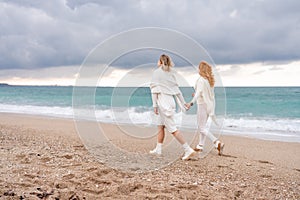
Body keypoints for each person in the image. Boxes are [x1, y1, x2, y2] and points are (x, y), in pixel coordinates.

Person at [149, 54, 196, 160]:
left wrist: (155, 105)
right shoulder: (171, 74)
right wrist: (183, 103)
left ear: (160, 62)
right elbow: (178, 92)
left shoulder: (157, 73)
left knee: (172, 129)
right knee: (160, 125)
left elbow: (154, 91)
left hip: (163, 103)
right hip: (170, 101)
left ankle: (188, 149)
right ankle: (158, 148)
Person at [186, 61, 225, 155]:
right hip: (209, 105)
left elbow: (199, 93)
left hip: (202, 105)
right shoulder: (209, 81)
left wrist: (191, 103)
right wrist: (196, 94)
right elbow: (204, 93)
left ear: (201, 69)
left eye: (199, 68)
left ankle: (216, 142)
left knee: (201, 127)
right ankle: (200, 145)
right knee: (202, 126)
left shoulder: (200, 80)